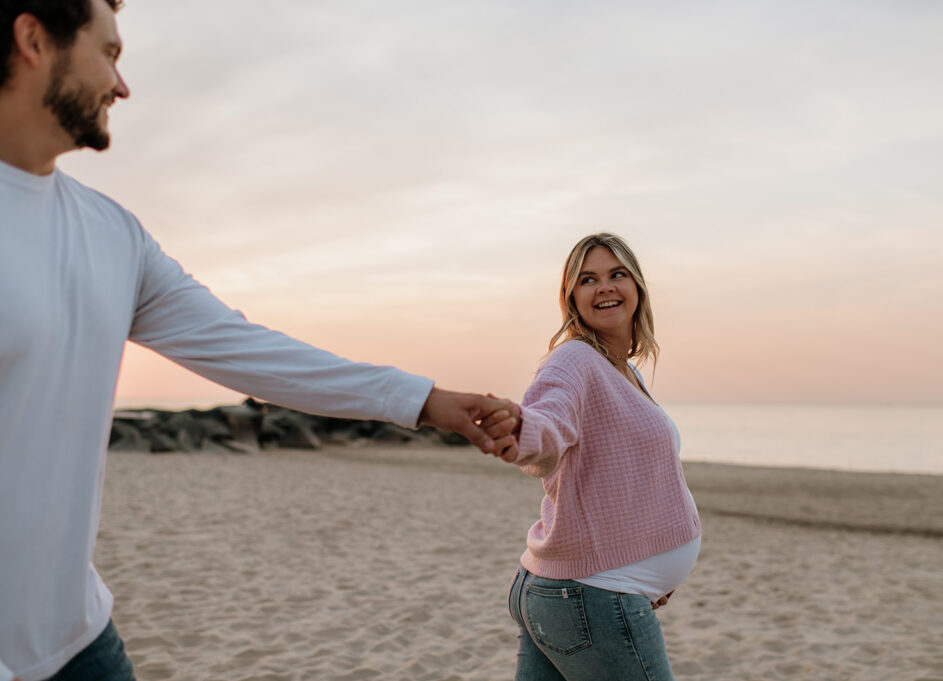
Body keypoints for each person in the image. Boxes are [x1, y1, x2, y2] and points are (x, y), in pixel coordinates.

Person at [0, 2, 519, 680]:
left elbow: (249, 350)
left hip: (79, 640)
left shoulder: (113, 235)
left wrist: (423, 400)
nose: (122, 86)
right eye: (111, 53)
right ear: (34, 39)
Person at [483, 233, 702, 680]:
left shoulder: (624, 370)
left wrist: (647, 572)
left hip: (579, 591)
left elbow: (627, 479)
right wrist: (521, 431)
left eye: (616, 274)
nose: (604, 287)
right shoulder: (574, 361)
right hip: (590, 594)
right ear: (571, 299)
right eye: (588, 279)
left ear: (637, 286)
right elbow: (547, 421)